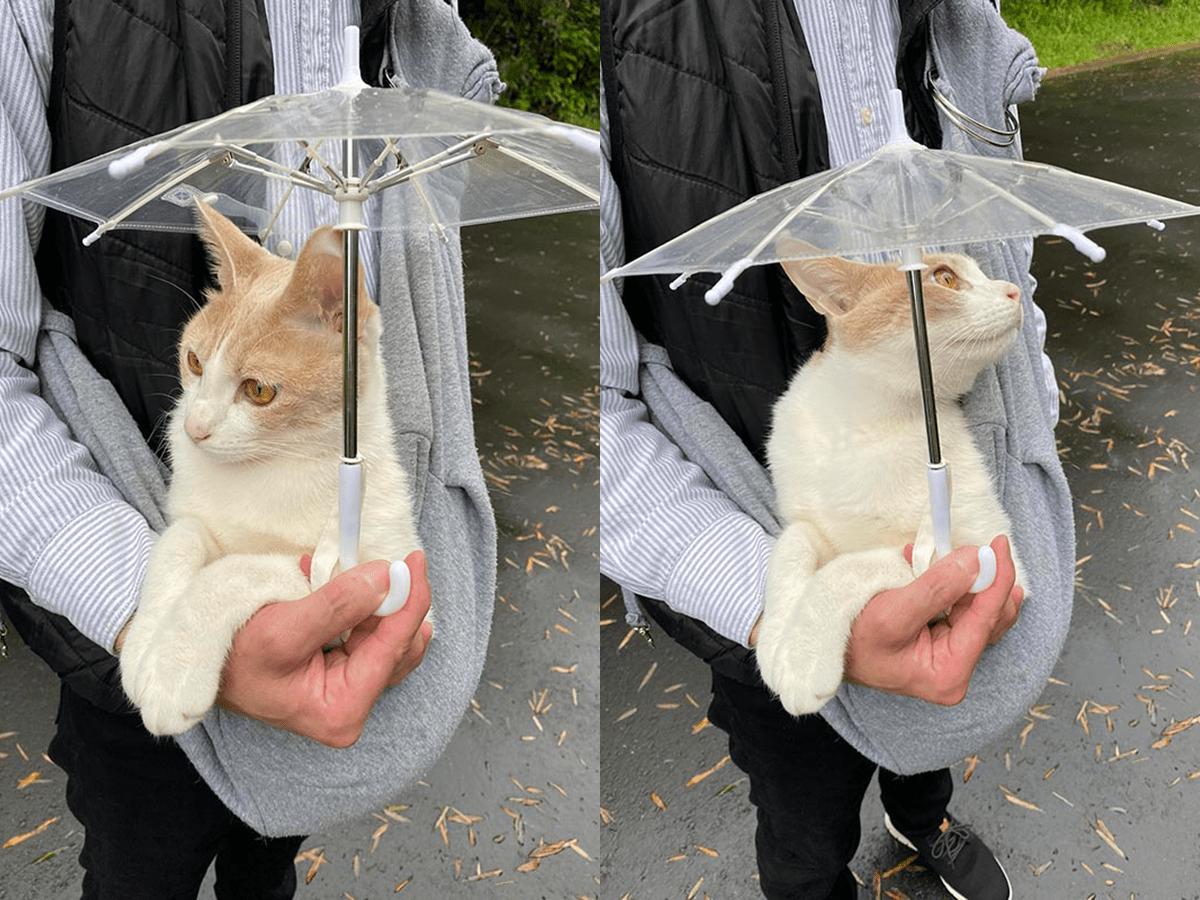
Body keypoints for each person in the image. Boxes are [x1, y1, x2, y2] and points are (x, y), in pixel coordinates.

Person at [0, 1, 497, 897]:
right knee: (136, 868)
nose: (192, 418)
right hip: (118, 671)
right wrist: (143, 600)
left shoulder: (420, 31)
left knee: (268, 868)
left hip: (335, 614)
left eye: (249, 388)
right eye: (195, 367)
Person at [599, 2, 1074, 899]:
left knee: (937, 721)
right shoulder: (620, 31)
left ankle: (919, 813)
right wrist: (775, 601)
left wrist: (1032, 428)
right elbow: (602, 404)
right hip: (763, 576)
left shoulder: (961, 15)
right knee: (801, 818)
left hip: (959, 527)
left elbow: (1007, 246)